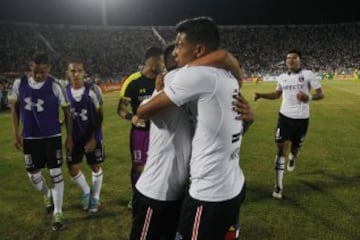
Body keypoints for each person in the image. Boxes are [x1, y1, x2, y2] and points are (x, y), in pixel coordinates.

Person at [136, 17, 247, 240]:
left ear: (198, 50)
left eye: (179, 45)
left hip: (208, 194)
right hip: (231, 184)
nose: (176, 51)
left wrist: (163, 84)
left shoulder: (188, 75)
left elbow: (142, 112)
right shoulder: (228, 78)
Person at [8, 52, 73, 231]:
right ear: (31, 67)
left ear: (48, 69)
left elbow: (67, 111)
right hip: (30, 136)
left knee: (55, 173)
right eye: (36, 71)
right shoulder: (19, 83)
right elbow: (14, 109)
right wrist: (15, 134)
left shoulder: (55, 85)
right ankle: (47, 194)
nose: (39, 76)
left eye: (43, 72)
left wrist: (69, 137)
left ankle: (58, 212)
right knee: (33, 175)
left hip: (52, 136)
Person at [254, 49, 324, 199]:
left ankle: (293, 157)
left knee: (295, 148)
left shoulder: (308, 75)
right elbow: (277, 94)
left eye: (294, 58)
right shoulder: (281, 77)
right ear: (286, 62)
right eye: (288, 58)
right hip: (285, 117)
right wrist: (261, 95)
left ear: (300, 60)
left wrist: (309, 97)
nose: (290, 60)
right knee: (280, 149)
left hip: (302, 118)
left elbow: (321, 94)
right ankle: (278, 186)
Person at [117, 46, 164, 209]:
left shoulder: (165, 79)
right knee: (139, 166)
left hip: (161, 131)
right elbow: (121, 110)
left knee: (160, 165)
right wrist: (133, 117)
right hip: (141, 132)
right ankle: (136, 195)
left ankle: (156, 195)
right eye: (162, 60)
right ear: (152, 61)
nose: (164, 64)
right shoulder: (133, 81)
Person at [65, 61, 104, 213]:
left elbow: (100, 116)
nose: (76, 74)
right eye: (73, 71)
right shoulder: (65, 91)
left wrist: (94, 138)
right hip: (74, 137)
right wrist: (68, 136)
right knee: (72, 168)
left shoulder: (93, 90)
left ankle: (96, 197)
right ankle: (87, 191)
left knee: (94, 166)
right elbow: (67, 114)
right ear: (68, 73)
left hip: (91, 136)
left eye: (79, 71)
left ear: (83, 73)